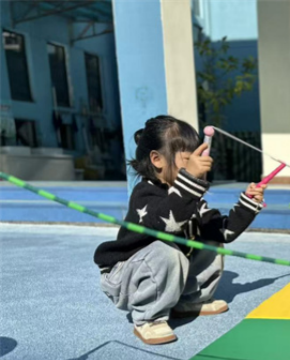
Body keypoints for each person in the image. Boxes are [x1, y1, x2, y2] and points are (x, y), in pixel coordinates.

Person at [94, 116, 265, 345]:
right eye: (188, 160)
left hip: (160, 270)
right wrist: (191, 180)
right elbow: (169, 222)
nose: (198, 165)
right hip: (124, 278)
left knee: (210, 240)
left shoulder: (188, 198)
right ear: (157, 159)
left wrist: (248, 204)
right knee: (167, 251)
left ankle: (190, 299)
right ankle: (149, 317)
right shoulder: (145, 194)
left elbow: (224, 232)